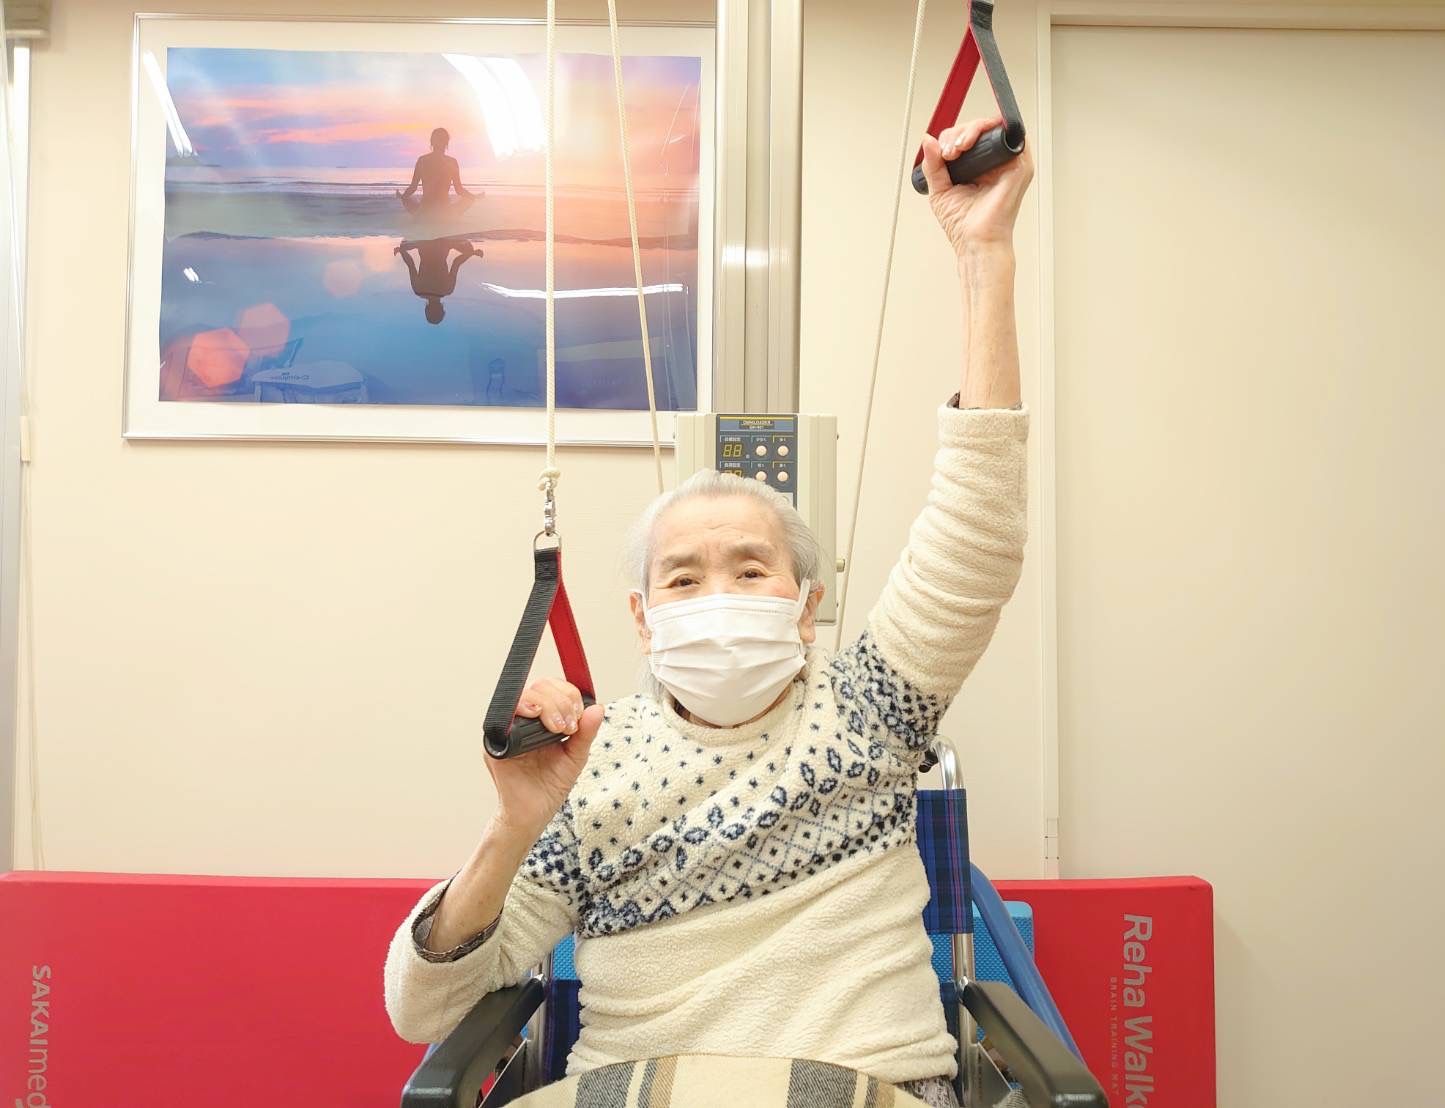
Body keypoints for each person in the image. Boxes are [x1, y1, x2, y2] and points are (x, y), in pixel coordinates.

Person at [384, 117, 1035, 1108]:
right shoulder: (584, 764)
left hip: (858, 1083)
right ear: (643, 620)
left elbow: (977, 531)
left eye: (751, 569)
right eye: (683, 580)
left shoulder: (871, 704)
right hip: (637, 1089)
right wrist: (513, 826)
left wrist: (984, 258)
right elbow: (424, 1010)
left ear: (807, 607)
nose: (718, 595)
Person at [394, 237, 483, 325]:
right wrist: (402, 251)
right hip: (423, 243)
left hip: (443, 243)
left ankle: (450, 242)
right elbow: (410, 264)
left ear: (442, 309)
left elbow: (456, 262)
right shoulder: (418, 290)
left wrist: (471, 253)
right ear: (426, 309)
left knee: (469, 249)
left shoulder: (448, 290)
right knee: (403, 246)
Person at [397, 127, 481, 216]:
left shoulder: (422, 160)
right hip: (445, 212)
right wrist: (473, 197)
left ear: (431, 142)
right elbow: (459, 190)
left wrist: (403, 197)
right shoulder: (452, 162)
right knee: (468, 199)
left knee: (406, 200)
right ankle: (453, 215)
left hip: (425, 211)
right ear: (446, 143)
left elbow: (413, 187)